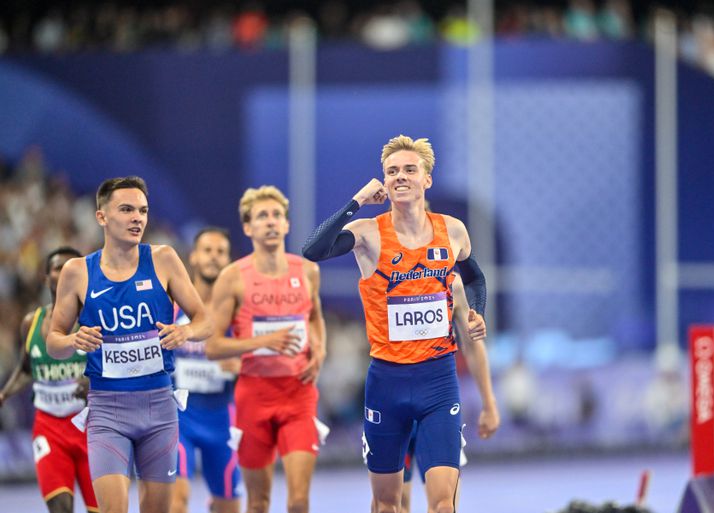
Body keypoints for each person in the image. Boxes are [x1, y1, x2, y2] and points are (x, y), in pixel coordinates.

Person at [303, 134, 489, 513]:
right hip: (386, 383)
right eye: (392, 172)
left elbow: (475, 277)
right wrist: (356, 202)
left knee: (442, 504)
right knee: (388, 504)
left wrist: (477, 310)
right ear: (383, 183)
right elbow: (313, 250)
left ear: (427, 179)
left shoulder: (452, 230)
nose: (400, 177)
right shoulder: (369, 234)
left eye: (409, 169)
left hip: (438, 382)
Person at [46, 176, 212, 513]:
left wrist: (186, 333)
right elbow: (53, 342)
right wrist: (74, 339)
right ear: (101, 217)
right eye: (126, 209)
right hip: (108, 411)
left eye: (143, 211)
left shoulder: (163, 259)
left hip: (159, 410)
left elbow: (204, 320)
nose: (137, 218)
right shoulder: (78, 272)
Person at [206, 185, 327, 513]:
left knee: (299, 502)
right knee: (258, 503)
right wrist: (262, 343)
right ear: (248, 228)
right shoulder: (232, 278)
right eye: (262, 216)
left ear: (287, 225)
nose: (271, 222)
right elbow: (213, 346)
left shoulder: (308, 271)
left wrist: (320, 350)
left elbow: (315, 317)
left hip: (298, 394)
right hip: (253, 398)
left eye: (277, 215)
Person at [0, 246, 99, 513]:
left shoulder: (96, 320)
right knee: (60, 508)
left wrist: (94, 382)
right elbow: (25, 370)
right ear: (46, 279)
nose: (65, 270)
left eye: (71, 265)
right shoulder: (31, 322)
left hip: (92, 428)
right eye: (58, 267)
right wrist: (4, 394)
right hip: (49, 429)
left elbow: (118, 365)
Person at [398, 276, 500, 513]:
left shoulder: (452, 282)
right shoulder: (382, 271)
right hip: (395, 403)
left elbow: (473, 344)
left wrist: (489, 403)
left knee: (445, 506)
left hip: (437, 404)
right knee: (394, 506)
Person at [170, 227, 241, 513]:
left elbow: (262, 357)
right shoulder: (171, 307)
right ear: (194, 258)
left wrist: (241, 365)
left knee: (229, 506)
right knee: (177, 501)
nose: (213, 257)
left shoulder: (239, 312)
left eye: (220, 252)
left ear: (228, 261)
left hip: (223, 419)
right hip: (178, 418)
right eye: (207, 251)